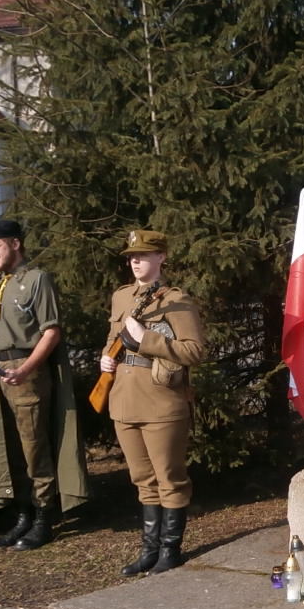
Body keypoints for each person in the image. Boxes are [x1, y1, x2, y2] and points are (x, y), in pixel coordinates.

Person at [0, 219, 87, 550]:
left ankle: (44, 518)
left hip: (25, 372)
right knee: (10, 448)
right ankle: (23, 516)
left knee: (34, 448)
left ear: (15, 244)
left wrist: (27, 368)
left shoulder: (36, 280)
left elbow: (51, 331)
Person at [99, 230, 206, 576]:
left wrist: (148, 340)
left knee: (169, 478)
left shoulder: (177, 301)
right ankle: (149, 549)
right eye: (132, 255)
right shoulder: (121, 297)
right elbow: (112, 340)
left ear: (161, 258)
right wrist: (105, 359)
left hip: (161, 402)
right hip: (123, 399)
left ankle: (170, 550)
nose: (135, 260)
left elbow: (195, 350)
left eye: (144, 255)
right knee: (143, 479)